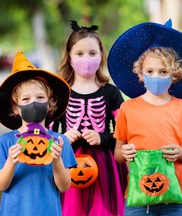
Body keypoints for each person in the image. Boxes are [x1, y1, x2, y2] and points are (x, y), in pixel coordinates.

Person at [107, 19, 182, 215]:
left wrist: (179, 153)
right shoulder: (128, 109)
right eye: (150, 71)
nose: (156, 77)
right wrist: (124, 153)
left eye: (163, 72)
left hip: (175, 197)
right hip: (138, 198)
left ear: (175, 75)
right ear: (140, 74)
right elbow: (118, 154)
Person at [51, 20, 128, 216]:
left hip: (105, 163)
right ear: (69, 57)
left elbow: (125, 133)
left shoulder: (111, 92)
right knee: (71, 209)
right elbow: (46, 133)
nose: (87, 58)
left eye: (92, 53)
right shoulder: (60, 93)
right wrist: (62, 138)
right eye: (80, 53)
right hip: (69, 161)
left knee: (102, 209)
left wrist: (103, 137)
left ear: (101, 56)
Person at [0, 51, 77, 216]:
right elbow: (0, 185)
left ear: (50, 104)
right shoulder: (5, 141)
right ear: (16, 108)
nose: (34, 103)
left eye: (40, 97)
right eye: (26, 99)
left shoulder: (59, 141)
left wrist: (56, 160)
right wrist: (11, 162)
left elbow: (64, 187)